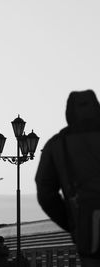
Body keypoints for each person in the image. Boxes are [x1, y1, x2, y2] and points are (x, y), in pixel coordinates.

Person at [35, 90, 100, 266]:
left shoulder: (56, 145)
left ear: (69, 113)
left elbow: (45, 193)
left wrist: (72, 222)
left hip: (88, 230)